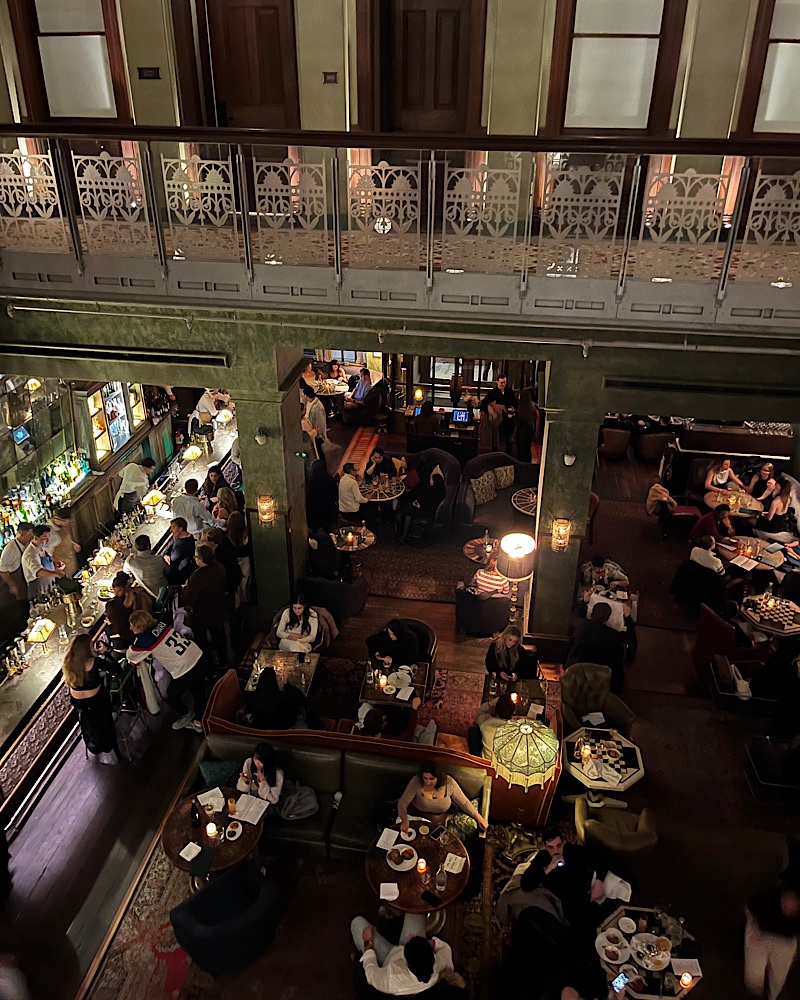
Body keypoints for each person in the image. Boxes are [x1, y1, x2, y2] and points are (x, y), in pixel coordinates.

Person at [127, 611, 205, 732]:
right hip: (196, 654)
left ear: (140, 626)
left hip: (185, 667)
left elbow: (130, 656)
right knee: (198, 689)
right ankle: (199, 721)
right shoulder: (161, 624)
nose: (130, 628)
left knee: (171, 695)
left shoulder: (145, 640)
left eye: (132, 625)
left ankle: (187, 715)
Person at [517, 826, 606, 928]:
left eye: (559, 845)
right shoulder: (542, 858)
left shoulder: (572, 850)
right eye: (551, 847)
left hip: (586, 895)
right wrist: (549, 868)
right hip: (566, 906)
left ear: (563, 843)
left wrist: (599, 882)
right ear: (545, 847)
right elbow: (525, 884)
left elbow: (602, 857)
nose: (556, 851)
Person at [350, 914, 453, 995]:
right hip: (415, 953)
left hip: (389, 956)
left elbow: (371, 974)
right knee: (414, 906)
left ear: (407, 963)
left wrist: (368, 943)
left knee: (356, 923)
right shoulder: (443, 964)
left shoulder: (392, 980)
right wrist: (432, 943)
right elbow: (445, 947)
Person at [62, 634, 121, 764]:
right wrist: (106, 652)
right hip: (97, 701)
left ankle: (91, 741)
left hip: (79, 705)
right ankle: (110, 744)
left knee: (89, 716)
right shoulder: (94, 662)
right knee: (105, 700)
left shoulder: (68, 663)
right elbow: (116, 668)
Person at [397, 762, 487, 836]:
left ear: (438, 777)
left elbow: (464, 802)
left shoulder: (448, 782)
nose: (428, 782)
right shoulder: (416, 781)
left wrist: (479, 818)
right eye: (425, 778)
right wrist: (405, 820)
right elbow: (402, 803)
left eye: (432, 779)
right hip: (417, 818)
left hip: (438, 823)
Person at [744, 886, 800, 1000]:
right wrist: (754, 927)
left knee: (778, 978)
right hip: (761, 933)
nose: (789, 907)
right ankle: (756, 994)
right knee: (754, 978)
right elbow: (749, 907)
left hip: (786, 941)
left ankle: (772, 997)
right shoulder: (767, 899)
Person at [181, 544, 228, 672]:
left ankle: (209, 668)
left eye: (196, 557)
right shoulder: (220, 567)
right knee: (220, 637)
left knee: (202, 642)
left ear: (201, 560)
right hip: (217, 609)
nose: (195, 559)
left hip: (201, 614)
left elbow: (189, 599)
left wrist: (185, 587)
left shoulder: (197, 577)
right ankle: (224, 663)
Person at [567, 603, 627, 693]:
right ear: (607, 619)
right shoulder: (613, 636)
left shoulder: (581, 626)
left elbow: (574, 618)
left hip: (577, 672)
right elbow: (630, 638)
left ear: (592, 614)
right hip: (601, 679)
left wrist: (583, 602)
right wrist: (628, 618)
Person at [396, 471, 446, 544]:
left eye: (432, 479)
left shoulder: (435, 494)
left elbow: (430, 506)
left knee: (408, 513)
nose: (430, 480)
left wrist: (419, 506)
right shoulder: (439, 491)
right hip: (426, 508)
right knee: (408, 509)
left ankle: (404, 534)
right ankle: (404, 533)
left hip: (427, 512)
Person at [0, 522, 33, 631]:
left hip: (27, 579)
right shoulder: (10, 549)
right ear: (21, 534)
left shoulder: (28, 544)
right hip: (18, 581)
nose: (31, 537)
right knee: (23, 610)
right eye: (29, 534)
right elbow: (2, 571)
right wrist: (12, 585)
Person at [21, 524, 64, 600]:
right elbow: (38, 572)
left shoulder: (42, 547)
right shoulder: (30, 554)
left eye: (48, 538)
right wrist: (57, 574)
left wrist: (55, 564)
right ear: (36, 538)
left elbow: (45, 564)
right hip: (39, 590)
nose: (47, 541)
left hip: (49, 586)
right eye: (44, 538)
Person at [479, 373, 518, 453]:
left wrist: (512, 410)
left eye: (504, 382)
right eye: (501, 382)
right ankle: (495, 454)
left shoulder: (510, 391)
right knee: (496, 439)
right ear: (497, 382)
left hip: (508, 419)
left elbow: (515, 403)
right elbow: (484, 403)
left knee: (508, 439)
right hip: (497, 420)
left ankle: (508, 455)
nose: (503, 384)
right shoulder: (493, 392)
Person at [124, 534, 168, 599]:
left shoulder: (130, 561)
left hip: (147, 593)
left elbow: (126, 571)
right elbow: (167, 571)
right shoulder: (159, 559)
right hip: (163, 592)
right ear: (148, 547)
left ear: (136, 547)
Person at [474, 693, 515, 758]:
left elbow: (480, 712)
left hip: (486, 763)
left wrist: (490, 703)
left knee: (473, 730)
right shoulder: (515, 727)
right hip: (503, 765)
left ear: (495, 710)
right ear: (513, 713)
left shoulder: (485, 723)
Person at [45, 507, 80, 578]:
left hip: (71, 561)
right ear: (58, 520)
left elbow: (66, 538)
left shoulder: (62, 526)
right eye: (66, 522)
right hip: (63, 568)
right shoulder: (50, 533)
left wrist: (73, 544)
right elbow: (47, 554)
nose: (68, 524)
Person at [306, 459, 339, 532]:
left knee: (315, 529)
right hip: (327, 509)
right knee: (327, 528)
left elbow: (309, 497)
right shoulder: (329, 479)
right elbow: (335, 494)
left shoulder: (311, 482)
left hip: (315, 510)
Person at [162, 517, 196, 586]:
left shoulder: (182, 546)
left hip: (179, 573)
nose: (171, 530)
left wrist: (165, 556)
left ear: (180, 529)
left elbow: (172, 560)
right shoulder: (183, 537)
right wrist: (165, 555)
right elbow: (170, 547)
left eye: (173, 528)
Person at [302, 384, 327, 462]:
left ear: (306, 395)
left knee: (319, 454)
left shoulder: (317, 407)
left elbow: (321, 422)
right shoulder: (310, 403)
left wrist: (319, 433)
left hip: (317, 434)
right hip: (313, 432)